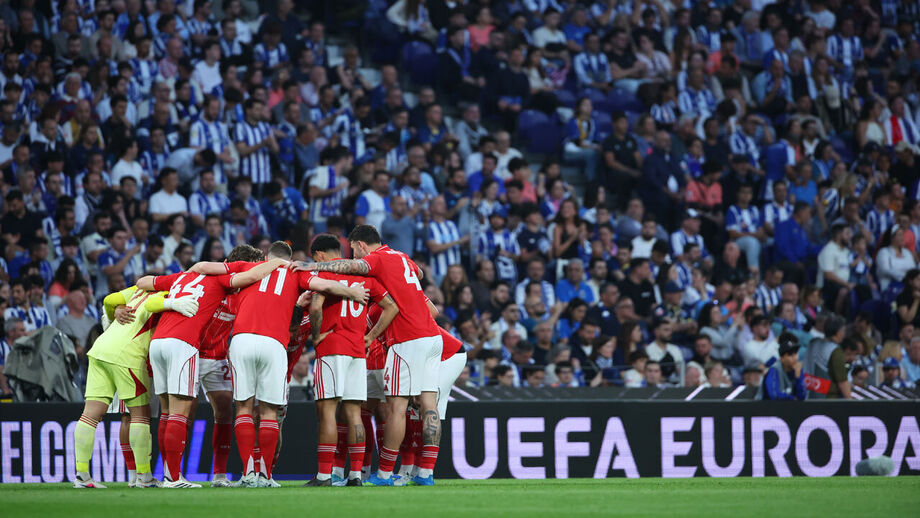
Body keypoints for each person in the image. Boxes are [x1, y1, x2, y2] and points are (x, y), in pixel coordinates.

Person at [295, 225, 445, 486]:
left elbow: (352, 270)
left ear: (361, 245)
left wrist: (311, 267)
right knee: (428, 405)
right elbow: (418, 273)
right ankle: (425, 473)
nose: (354, 256)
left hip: (406, 338)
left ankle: (384, 473)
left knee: (394, 408)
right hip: (433, 337)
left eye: (353, 250)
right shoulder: (401, 257)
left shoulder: (374, 260)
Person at [134, 254, 292, 487]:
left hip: (206, 355)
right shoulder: (223, 282)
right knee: (181, 411)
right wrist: (278, 262)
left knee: (210, 411)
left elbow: (143, 282)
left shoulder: (185, 279)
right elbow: (251, 274)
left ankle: (215, 475)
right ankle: (172, 475)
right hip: (189, 348)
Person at [72, 280, 200, 489]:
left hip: (100, 349)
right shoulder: (171, 293)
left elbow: (110, 299)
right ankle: (144, 477)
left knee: (90, 415)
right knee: (140, 416)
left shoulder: (139, 289)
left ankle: (82, 476)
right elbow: (153, 305)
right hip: (128, 355)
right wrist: (173, 303)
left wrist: (115, 312)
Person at [306, 234, 397, 486]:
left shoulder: (325, 275)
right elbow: (392, 307)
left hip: (332, 346)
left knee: (328, 412)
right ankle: (356, 475)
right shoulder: (366, 278)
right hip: (358, 351)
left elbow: (315, 308)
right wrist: (370, 336)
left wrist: (316, 336)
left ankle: (324, 475)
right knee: (355, 413)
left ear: (321, 256)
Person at [760, 333, 806, 401]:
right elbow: (774, 395)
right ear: (782, 358)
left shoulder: (798, 370)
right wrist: (792, 398)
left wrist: (798, 378)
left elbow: (802, 397)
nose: (795, 358)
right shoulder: (774, 370)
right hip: (765, 409)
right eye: (790, 355)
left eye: (795, 353)